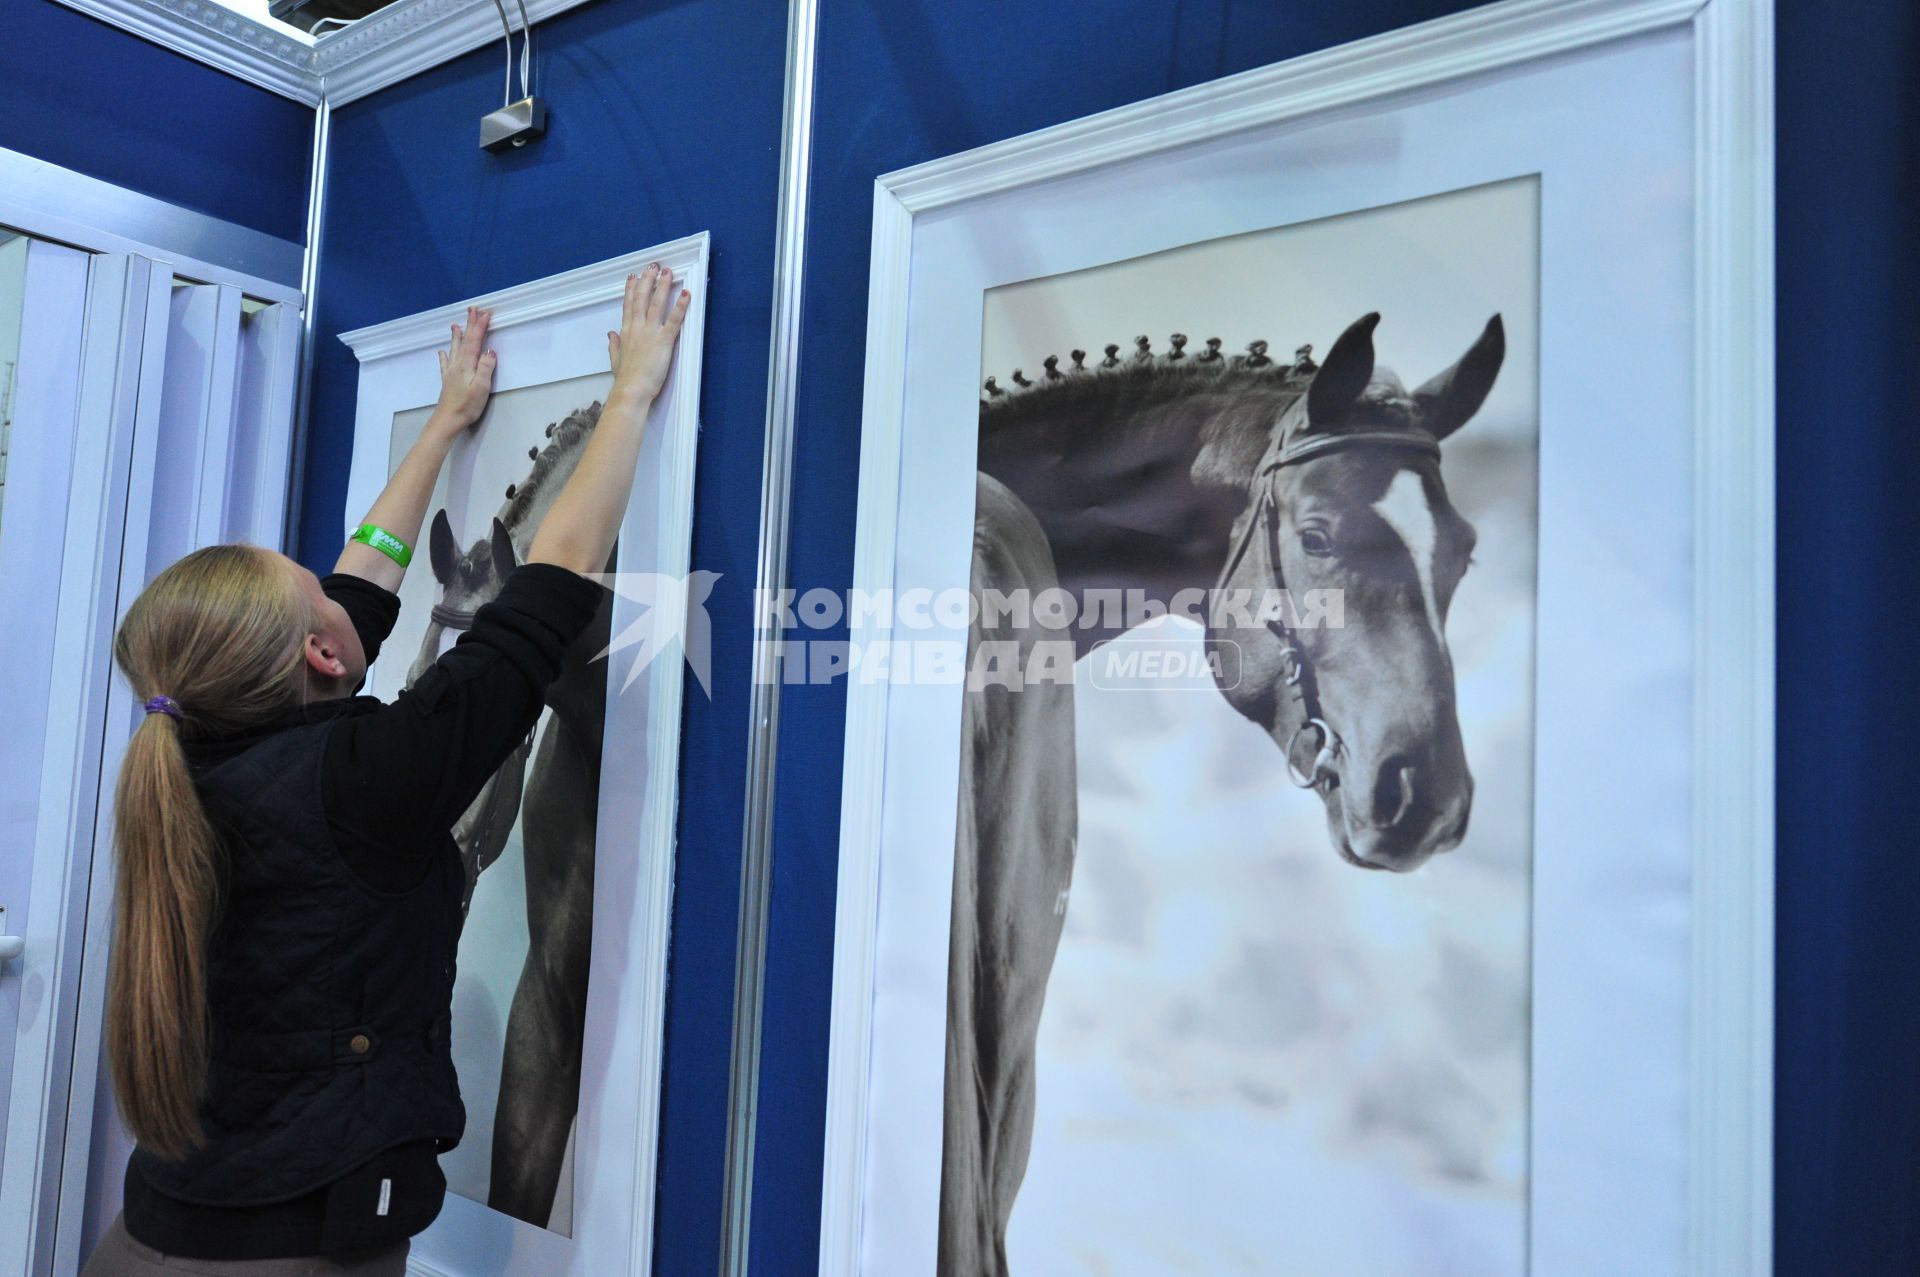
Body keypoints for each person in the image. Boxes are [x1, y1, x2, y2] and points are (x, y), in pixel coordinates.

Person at [79, 263, 691, 1276]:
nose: (337, 580)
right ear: (319, 656)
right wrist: (632, 393)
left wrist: (442, 426)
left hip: (156, 1231)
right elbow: (550, 581)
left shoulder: (189, 740)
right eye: (309, 591)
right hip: (292, 1250)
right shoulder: (372, 773)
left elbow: (360, 579)